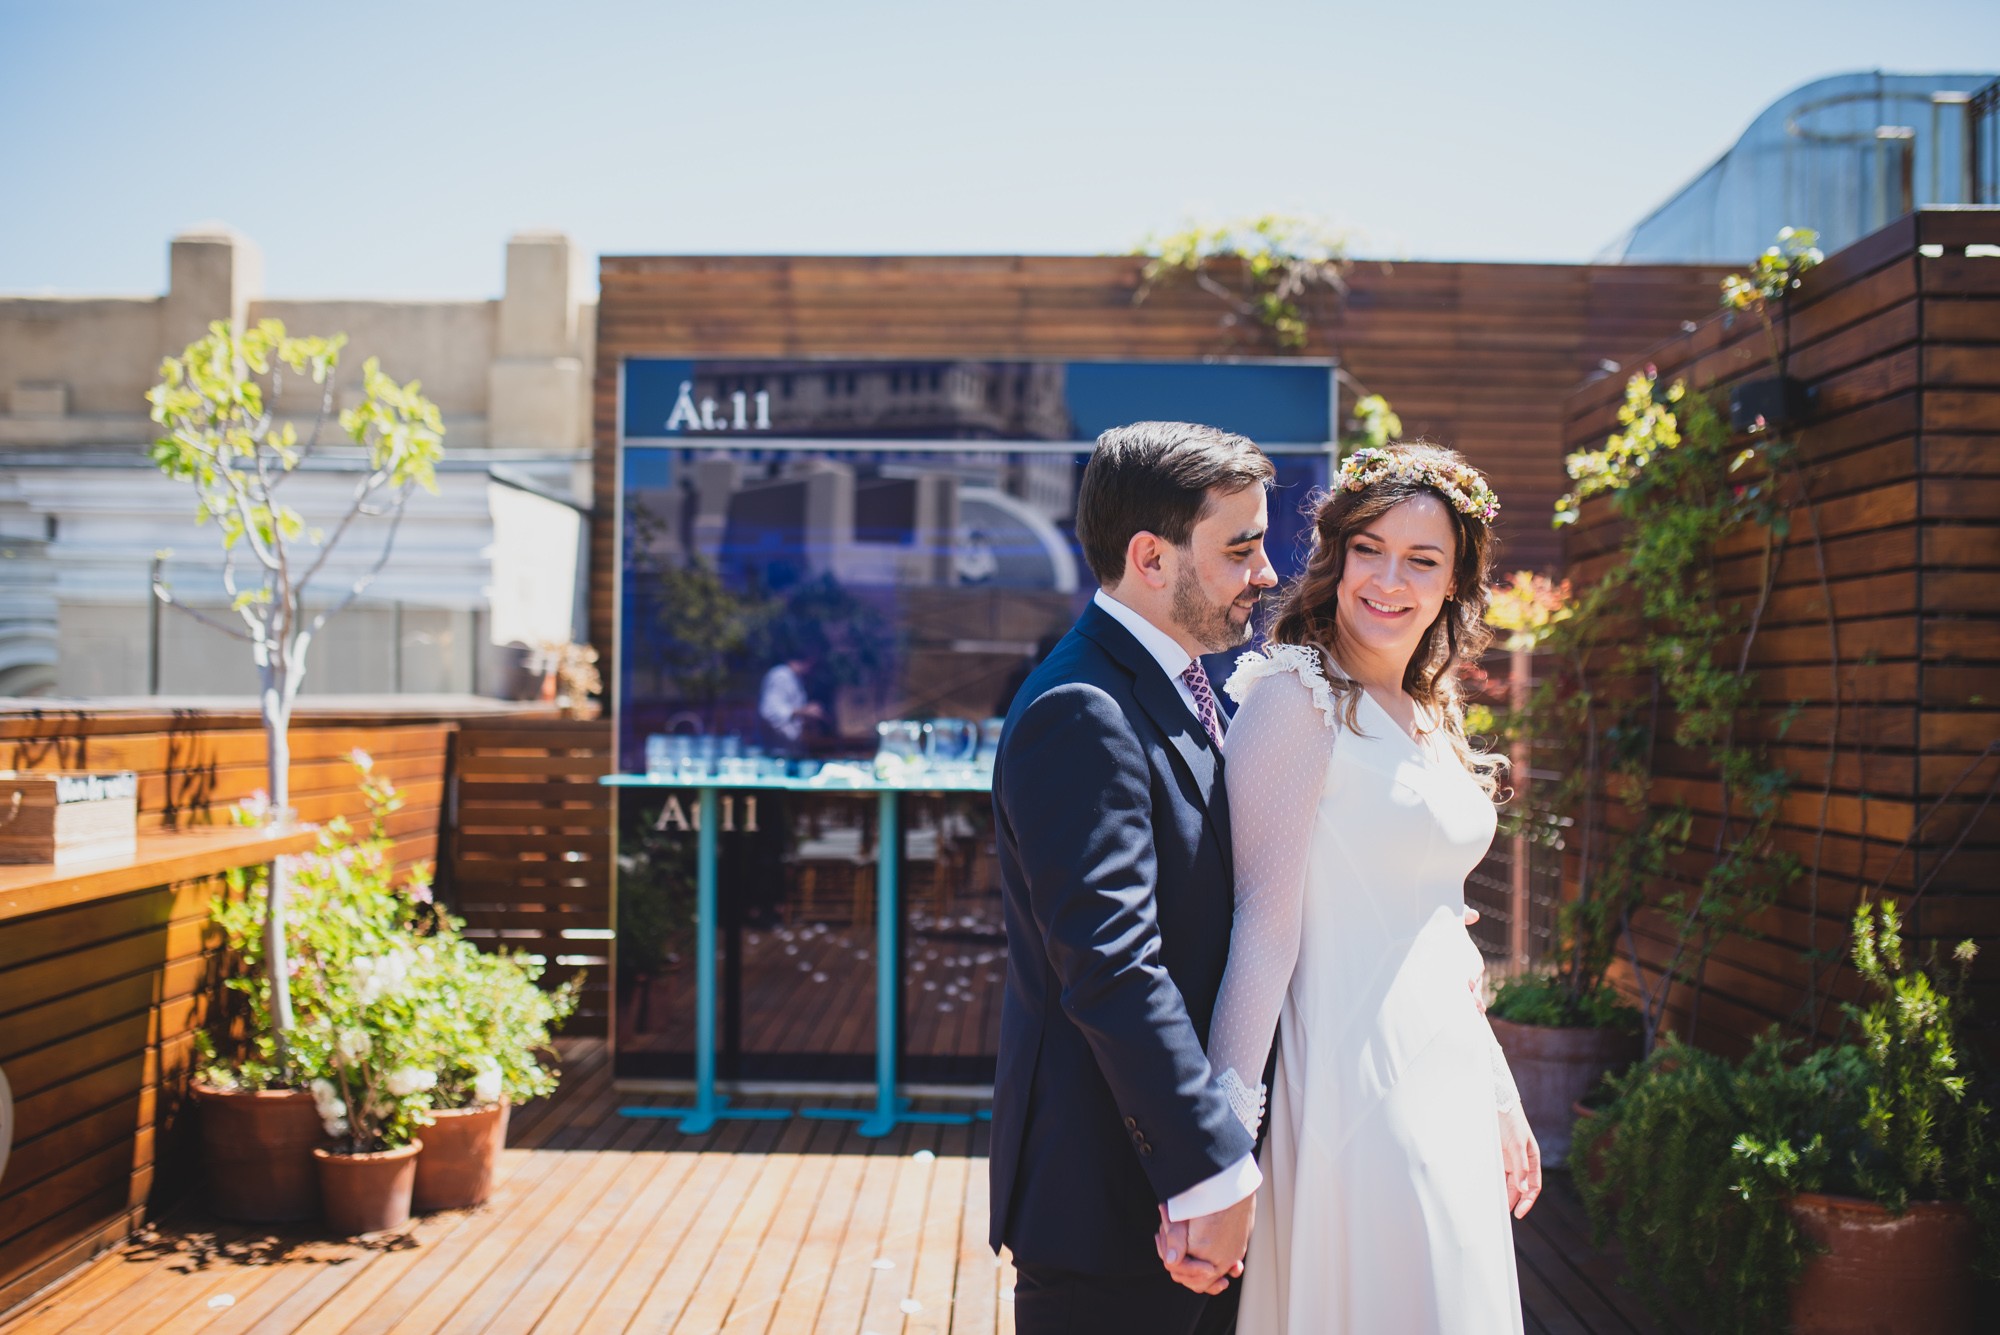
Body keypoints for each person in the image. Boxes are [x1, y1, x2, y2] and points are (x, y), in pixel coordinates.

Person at [1189, 441, 1540, 1333]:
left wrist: (1498, 1089)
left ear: (1455, 583)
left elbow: (1441, 929)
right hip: (1353, 1083)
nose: (1389, 580)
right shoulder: (1295, 697)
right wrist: (1219, 1151)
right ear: (1336, 558)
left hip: (1449, 1072)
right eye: (1369, 549)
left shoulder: (1430, 709)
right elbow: (1260, 929)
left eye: (1421, 560)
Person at [989, 421, 1280, 1334]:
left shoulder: (1179, 686)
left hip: (1166, 1204)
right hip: (1114, 1207)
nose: (1266, 572)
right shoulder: (1082, 708)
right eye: (1240, 548)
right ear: (1151, 557)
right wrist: (1212, 1167)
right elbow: (1112, 965)